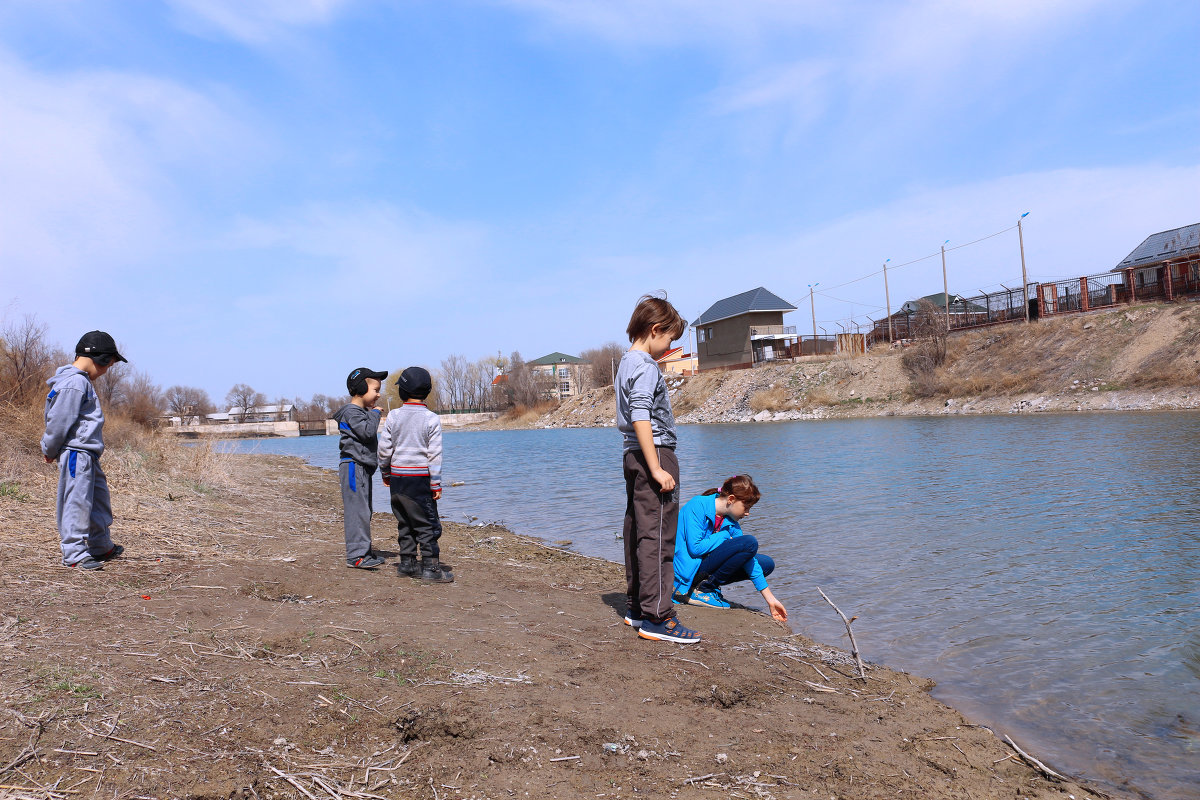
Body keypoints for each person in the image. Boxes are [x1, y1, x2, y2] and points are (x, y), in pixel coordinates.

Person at [616, 294, 700, 643]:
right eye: (669, 339)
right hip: (655, 454)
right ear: (655, 329)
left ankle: (638, 608)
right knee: (660, 536)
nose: (669, 347)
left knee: (638, 531)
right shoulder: (646, 366)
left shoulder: (624, 363)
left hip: (632, 456)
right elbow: (640, 413)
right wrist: (657, 467)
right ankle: (658, 616)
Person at [41, 331, 128, 570]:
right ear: (99, 358)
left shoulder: (81, 382)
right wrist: (49, 448)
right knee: (76, 502)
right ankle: (74, 553)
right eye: (108, 365)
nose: (107, 370)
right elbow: (58, 421)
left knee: (99, 501)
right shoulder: (75, 383)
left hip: (88, 453)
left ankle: (100, 545)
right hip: (76, 453)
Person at [673, 475, 788, 623]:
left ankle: (705, 587)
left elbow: (748, 557)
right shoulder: (698, 505)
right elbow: (695, 548)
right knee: (749, 542)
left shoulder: (730, 521)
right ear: (731, 499)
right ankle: (702, 590)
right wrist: (724, 535)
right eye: (746, 507)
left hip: (703, 567)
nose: (747, 513)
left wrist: (770, 600)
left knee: (765, 564)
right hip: (686, 570)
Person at [377, 367, 452, 583]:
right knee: (427, 523)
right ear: (427, 392)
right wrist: (436, 484)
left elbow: (384, 450)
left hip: (398, 479)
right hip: (419, 480)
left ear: (402, 392)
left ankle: (407, 564)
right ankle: (431, 568)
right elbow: (434, 455)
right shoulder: (431, 419)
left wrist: (385, 471)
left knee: (405, 521)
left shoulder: (393, 416)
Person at [333, 368, 388, 569]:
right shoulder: (351, 412)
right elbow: (366, 432)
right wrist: (374, 414)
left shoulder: (358, 413)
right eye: (375, 389)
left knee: (365, 510)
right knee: (357, 511)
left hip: (361, 467)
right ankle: (356, 555)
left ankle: (363, 551)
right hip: (353, 467)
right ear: (361, 388)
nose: (379, 394)